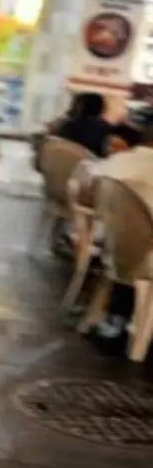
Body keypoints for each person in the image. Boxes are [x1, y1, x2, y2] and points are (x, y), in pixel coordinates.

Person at [84, 124, 153, 357]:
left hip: (111, 249)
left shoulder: (115, 163)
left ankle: (115, 318)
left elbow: (85, 190)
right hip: (145, 259)